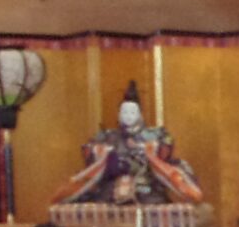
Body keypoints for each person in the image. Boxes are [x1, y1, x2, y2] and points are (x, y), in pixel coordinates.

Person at [56, 82, 204, 204]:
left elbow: (165, 149)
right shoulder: (108, 135)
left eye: (132, 113)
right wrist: (105, 154)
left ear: (140, 115)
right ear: (119, 114)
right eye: (124, 112)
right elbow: (90, 150)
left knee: (151, 194)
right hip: (112, 186)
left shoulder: (154, 134)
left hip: (145, 184)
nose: (128, 116)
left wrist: (146, 149)